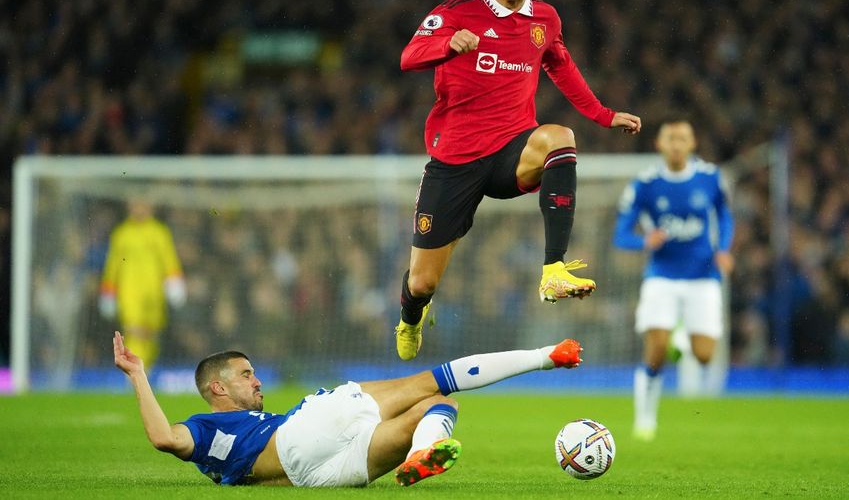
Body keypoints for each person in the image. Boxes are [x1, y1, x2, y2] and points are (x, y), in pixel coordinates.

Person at [395, 0, 641, 360]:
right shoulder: (457, 11)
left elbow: (561, 67)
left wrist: (603, 115)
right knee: (423, 282)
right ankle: (411, 315)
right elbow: (409, 56)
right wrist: (446, 44)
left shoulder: (544, 19)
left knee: (560, 138)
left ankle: (553, 270)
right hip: (454, 159)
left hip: (512, 149)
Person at [113, 331, 583, 487]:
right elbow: (162, 437)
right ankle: (546, 356)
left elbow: (176, 445)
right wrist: (138, 375)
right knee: (429, 382)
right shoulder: (207, 425)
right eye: (245, 374)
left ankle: (425, 451)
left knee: (436, 407)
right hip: (303, 431)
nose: (257, 381)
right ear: (215, 387)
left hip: (318, 475)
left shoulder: (214, 448)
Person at [612, 119, 734, 440]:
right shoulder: (646, 184)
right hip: (662, 276)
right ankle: (645, 420)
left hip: (703, 275)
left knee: (705, 354)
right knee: (656, 350)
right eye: (671, 138)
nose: (677, 144)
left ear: (692, 143)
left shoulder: (709, 177)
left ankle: (682, 332)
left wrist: (723, 248)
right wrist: (644, 241)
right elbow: (620, 234)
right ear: (659, 144)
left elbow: (724, 214)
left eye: (683, 138)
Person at [100, 199, 186, 368]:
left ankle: (145, 369)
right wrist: (108, 292)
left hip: (154, 292)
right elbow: (112, 265)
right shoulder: (121, 233)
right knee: (133, 330)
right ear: (128, 207)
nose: (138, 208)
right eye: (135, 204)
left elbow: (169, 259)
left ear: (150, 207)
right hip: (129, 292)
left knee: (151, 334)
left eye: (142, 204)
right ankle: (134, 372)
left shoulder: (159, 232)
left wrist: (175, 283)